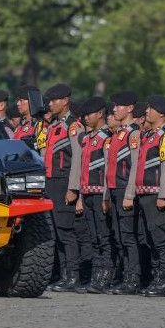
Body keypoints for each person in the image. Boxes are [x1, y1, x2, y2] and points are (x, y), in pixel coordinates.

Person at [123, 95, 165, 297]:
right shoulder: (147, 136)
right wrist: (132, 192)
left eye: (150, 109)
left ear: (161, 113)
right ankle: (156, 277)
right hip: (143, 193)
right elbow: (136, 166)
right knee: (150, 239)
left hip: (155, 194)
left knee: (160, 238)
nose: (146, 112)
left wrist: (164, 195)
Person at [43, 83, 84, 293]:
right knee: (56, 232)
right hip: (51, 182)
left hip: (64, 182)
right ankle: (63, 275)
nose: (50, 104)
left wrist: (74, 187)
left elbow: (77, 158)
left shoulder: (73, 126)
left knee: (66, 231)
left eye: (54, 100)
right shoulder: (54, 126)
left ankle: (73, 276)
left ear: (65, 101)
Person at [102, 91, 142, 295]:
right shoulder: (118, 133)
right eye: (114, 106)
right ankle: (125, 275)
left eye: (119, 106)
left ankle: (133, 278)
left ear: (130, 109)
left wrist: (129, 193)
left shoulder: (134, 133)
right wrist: (107, 195)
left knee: (128, 236)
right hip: (113, 189)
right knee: (118, 236)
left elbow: (135, 166)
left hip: (124, 188)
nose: (115, 109)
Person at [76, 97, 113, 293]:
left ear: (100, 114)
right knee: (93, 237)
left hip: (100, 193)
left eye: (89, 114)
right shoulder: (88, 138)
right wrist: (81, 196)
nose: (85, 118)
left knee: (104, 235)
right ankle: (96, 275)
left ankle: (106, 274)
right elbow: (83, 170)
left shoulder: (107, 137)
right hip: (88, 192)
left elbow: (108, 169)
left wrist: (107, 196)